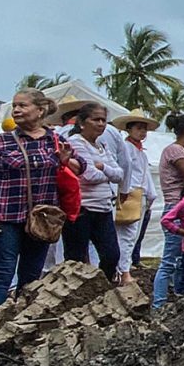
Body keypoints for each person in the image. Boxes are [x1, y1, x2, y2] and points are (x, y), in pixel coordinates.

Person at [0, 89, 78, 307]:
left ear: (40, 110)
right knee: (3, 271)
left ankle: (21, 322)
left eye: (23, 105)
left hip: (41, 219)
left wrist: (66, 161)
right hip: (7, 216)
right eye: (15, 106)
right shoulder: (2, 141)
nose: (17, 110)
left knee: (31, 274)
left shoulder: (56, 140)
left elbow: (80, 168)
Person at [63, 102, 123, 279]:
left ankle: (101, 286)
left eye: (103, 120)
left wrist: (102, 166)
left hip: (103, 207)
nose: (101, 124)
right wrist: (107, 173)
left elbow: (120, 174)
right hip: (82, 208)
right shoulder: (75, 142)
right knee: (76, 258)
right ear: (82, 122)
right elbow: (89, 176)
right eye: (96, 119)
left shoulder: (101, 146)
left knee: (112, 255)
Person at [153, 114, 184, 306]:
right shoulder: (175, 151)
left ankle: (176, 298)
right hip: (177, 207)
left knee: (182, 259)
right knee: (170, 261)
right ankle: (159, 303)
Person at [109, 109, 158, 286]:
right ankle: (123, 270)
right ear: (129, 129)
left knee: (132, 236)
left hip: (141, 195)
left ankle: (123, 269)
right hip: (131, 194)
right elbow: (126, 172)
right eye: (139, 128)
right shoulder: (127, 149)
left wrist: (151, 196)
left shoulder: (141, 153)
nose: (142, 132)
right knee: (127, 236)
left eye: (144, 129)